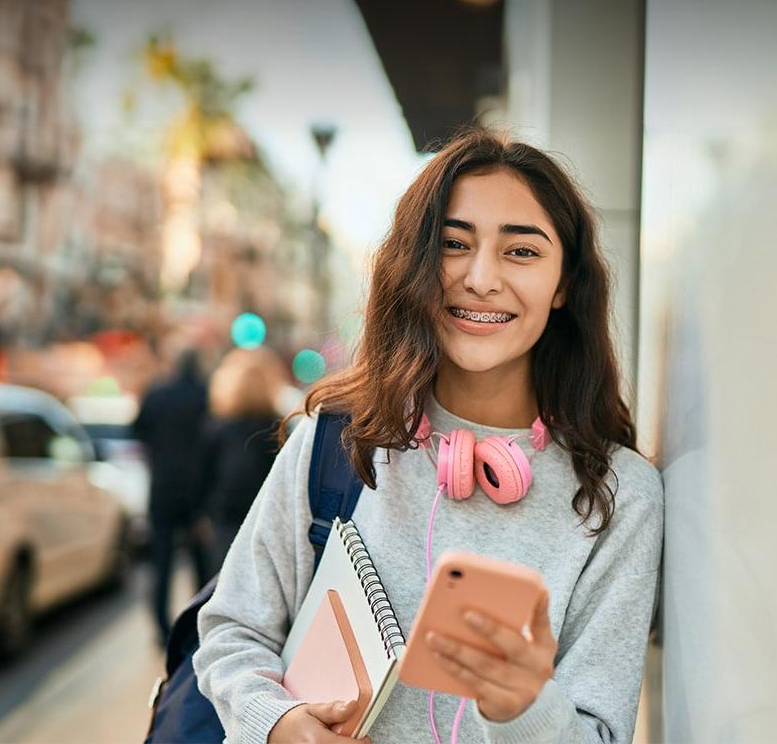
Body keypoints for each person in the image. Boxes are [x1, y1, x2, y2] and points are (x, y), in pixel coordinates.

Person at [195, 131, 663, 744]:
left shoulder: (619, 495)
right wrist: (278, 722)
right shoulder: (335, 443)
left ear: (564, 284)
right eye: (452, 245)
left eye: (521, 252)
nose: (480, 277)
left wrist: (523, 707)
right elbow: (232, 631)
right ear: (415, 263)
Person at [132, 347, 213, 645]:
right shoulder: (206, 395)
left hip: (163, 489)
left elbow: (137, 430)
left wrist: (158, 453)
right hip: (197, 492)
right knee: (201, 565)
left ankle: (163, 629)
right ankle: (197, 629)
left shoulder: (157, 394)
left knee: (161, 563)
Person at [200, 352, 283, 571]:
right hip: (262, 518)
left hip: (225, 515)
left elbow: (204, 474)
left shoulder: (220, 427)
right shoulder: (276, 427)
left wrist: (203, 514)